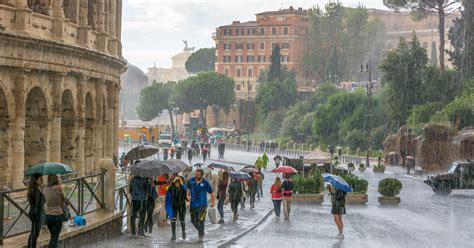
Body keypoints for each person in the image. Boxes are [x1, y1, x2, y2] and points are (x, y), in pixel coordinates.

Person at [187, 169, 214, 242]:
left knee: (201, 220)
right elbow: (188, 188)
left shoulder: (205, 182)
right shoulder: (191, 180)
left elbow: (211, 192)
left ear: (201, 175)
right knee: (193, 220)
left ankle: (200, 235)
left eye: (198, 175)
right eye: (195, 174)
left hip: (202, 204)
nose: (196, 176)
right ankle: (201, 230)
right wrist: (187, 195)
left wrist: (212, 203)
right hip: (193, 204)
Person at [43, 174, 66, 248]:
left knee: (53, 236)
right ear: (56, 179)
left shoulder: (45, 188)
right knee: (55, 237)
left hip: (48, 215)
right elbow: (64, 199)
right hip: (58, 214)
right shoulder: (59, 188)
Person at [167, 176, 188, 241]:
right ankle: (173, 235)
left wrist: (181, 182)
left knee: (182, 220)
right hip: (174, 206)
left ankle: (183, 232)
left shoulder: (183, 187)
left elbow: (185, 193)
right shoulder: (172, 187)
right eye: (176, 182)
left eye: (178, 182)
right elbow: (167, 189)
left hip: (182, 205)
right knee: (173, 220)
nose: (177, 184)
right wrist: (172, 182)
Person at [27, 173, 45, 248]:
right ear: (35, 180)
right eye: (40, 179)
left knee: (34, 233)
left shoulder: (33, 189)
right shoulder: (36, 191)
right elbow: (37, 204)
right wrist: (35, 216)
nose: (42, 180)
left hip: (35, 213)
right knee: (35, 234)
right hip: (37, 214)